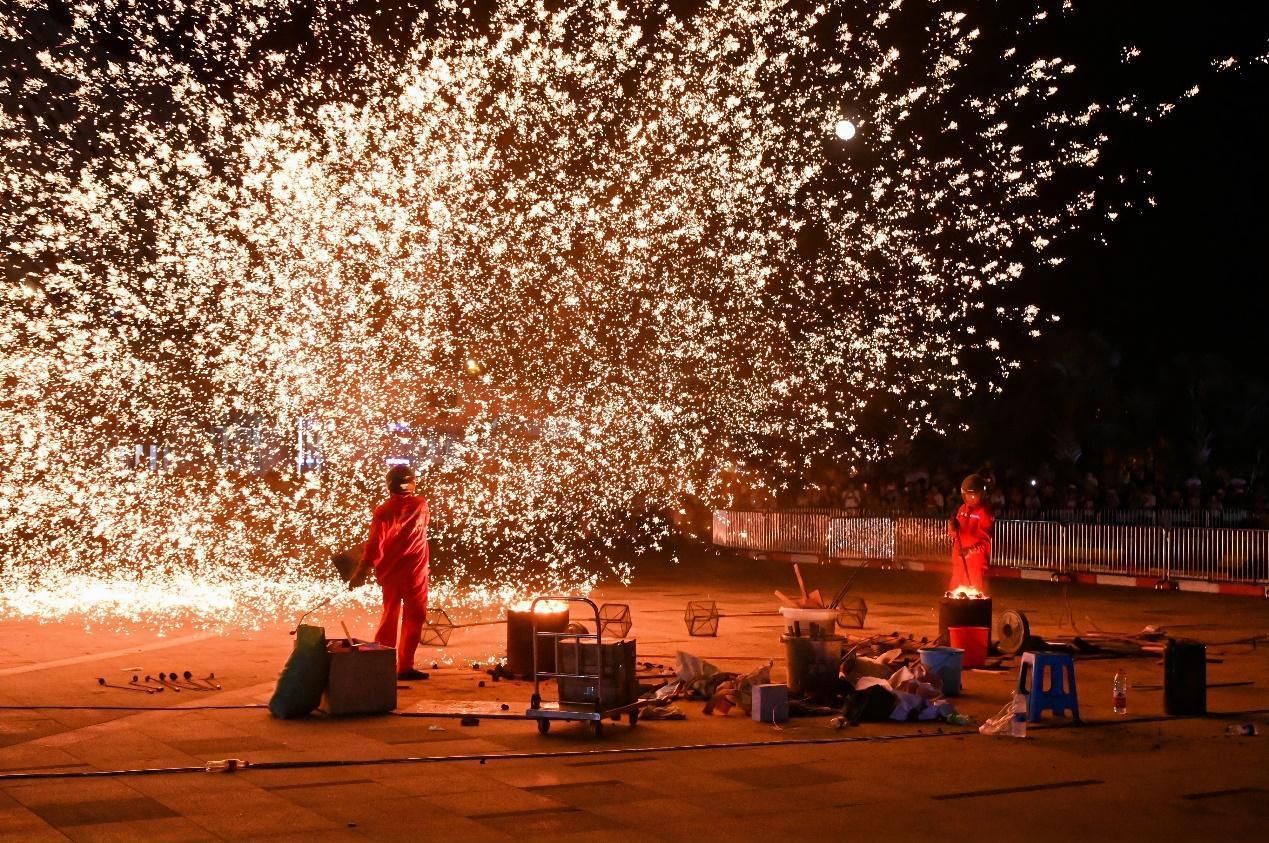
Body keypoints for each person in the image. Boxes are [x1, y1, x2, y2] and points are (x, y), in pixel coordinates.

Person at [350, 464, 431, 680]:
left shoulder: (384, 511)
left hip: (393, 573)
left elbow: (375, 544)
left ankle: (382, 665)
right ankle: (404, 666)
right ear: (412, 482)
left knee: (390, 618)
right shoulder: (421, 505)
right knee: (414, 617)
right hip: (415, 572)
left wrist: (361, 571)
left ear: (389, 485)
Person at [948, 474, 994, 594]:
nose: (972, 497)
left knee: (974, 596)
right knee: (955, 594)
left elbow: (985, 541)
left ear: (982, 494)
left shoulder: (985, 512)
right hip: (959, 562)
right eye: (969, 494)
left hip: (975, 565)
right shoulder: (962, 509)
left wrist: (970, 551)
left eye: (975, 494)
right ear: (964, 495)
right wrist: (953, 528)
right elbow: (954, 534)